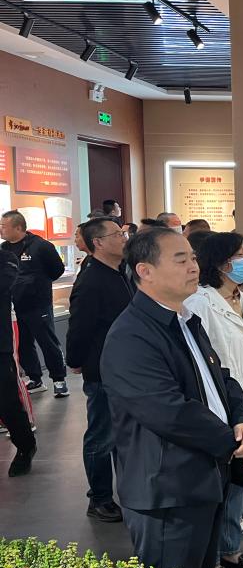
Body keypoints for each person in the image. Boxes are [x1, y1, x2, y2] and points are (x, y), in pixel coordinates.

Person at [101, 228, 243, 568]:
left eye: (193, 257)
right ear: (145, 271)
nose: (193, 266)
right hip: (169, 491)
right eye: (180, 259)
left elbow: (221, 379)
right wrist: (231, 441)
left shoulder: (184, 320)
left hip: (202, 478)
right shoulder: (131, 335)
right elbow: (168, 411)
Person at [185, 232, 243, 568]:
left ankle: (231, 550)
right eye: (239, 255)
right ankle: (212, 562)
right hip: (222, 410)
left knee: (237, 487)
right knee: (218, 492)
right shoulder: (201, 303)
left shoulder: (240, 298)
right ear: (219, 262)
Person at [66, 218, 133, 523]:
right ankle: (100, 498)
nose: (123, 238)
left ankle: (126, 489)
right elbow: (79, 326)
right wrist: (76, 360)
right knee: (101, 435)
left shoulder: (119, 272)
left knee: (121, 433)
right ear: (99, 243)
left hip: (123, 366)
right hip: (103, 369)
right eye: (116, 234)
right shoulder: (91, 280)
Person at [0, 210, 69, 398]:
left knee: (48, 342)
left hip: (38, 304)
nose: (1, 229)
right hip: (15, 307)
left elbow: (57, 269)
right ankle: (35, 378)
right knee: (23, 345)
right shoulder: (4, 249)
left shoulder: (41, 246)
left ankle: (59, 380)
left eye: (4, 226)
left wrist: (37, 284)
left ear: (18, 227)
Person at [0, 249, 36, 477]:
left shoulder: (6, 259)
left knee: (7, 402)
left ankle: (25, 446)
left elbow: (5, 283)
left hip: (0, 347)